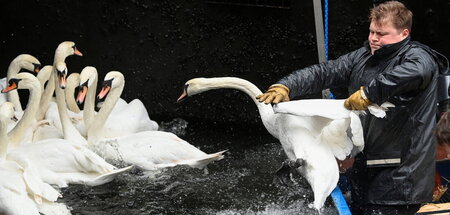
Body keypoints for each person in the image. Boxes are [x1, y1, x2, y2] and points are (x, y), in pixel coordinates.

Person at [256, 1, 449, 214]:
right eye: (372, 32)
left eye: (381, 34)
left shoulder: (419, 57)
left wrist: (369, 93)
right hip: (366, 168)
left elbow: (417, 72)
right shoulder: (363, 56)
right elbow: (325, 72)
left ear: (404, 33)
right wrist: (287, 85)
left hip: (401, 181)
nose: (374, 38)